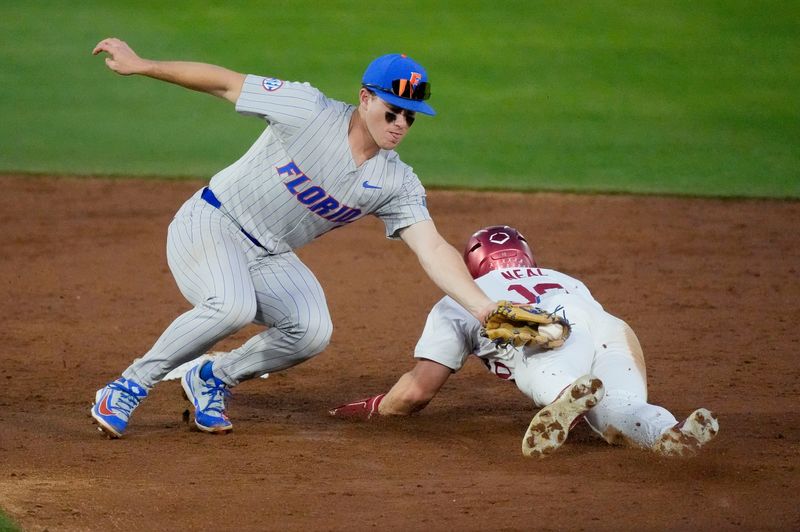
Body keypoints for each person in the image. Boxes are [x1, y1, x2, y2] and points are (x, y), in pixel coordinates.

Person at [89, 38, 498, 438]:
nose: (401, 125)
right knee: (231, 307)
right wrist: (143, 65)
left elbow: (432, 247)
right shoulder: (307, 110)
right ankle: (127, 387)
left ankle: (212, 376)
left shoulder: (395, 180)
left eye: (411, 117)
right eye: (393, 112)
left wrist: (482, 308)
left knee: (310, 331)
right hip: (212, 222)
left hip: (270, 254)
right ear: (365, 98)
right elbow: (225, 82)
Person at [330, 225, 720, 458]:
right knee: (622, 409)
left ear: (472, 264)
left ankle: (566, 391)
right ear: (525, 257)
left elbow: (417, 393)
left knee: (543, 365)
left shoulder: (461, 299)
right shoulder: (564, 277)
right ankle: (670, 433)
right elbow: (589, 329)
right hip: (608, 326)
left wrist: (374, 406)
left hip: (553, 335)